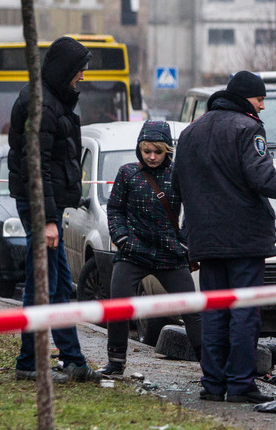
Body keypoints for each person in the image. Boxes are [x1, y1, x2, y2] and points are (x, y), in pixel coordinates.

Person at [173, 71, 276, 403]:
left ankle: (213, 383)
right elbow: (261, 177)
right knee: (244, 313)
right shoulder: (247, 128)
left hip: (207, 244)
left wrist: (188, 238)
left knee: (214, 312)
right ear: (245, 100)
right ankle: (240, 384)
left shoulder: (189, 133)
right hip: (243, 241)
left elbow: (177, 188)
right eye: (260, 99)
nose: (263, 106)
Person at [8, 36, 101, 383]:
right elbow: (37, 167)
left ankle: (71, 360)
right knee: (43, 284)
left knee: (58, 283)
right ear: (66, 70)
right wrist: (47, 220)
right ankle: (30, 364)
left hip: (47, 208)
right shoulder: (43, 105)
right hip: (39, 209)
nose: (83, 77)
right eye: (80, 71)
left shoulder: (52, 101)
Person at [97, 120, 203, 377]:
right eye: (147, 151)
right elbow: (114, 210)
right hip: (131, 253)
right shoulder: (127, 173)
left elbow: (194, 208)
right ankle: (115, 362)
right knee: (118, 306)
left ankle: (210, 367)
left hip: (170, 253)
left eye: (158, 151)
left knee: (193, 312)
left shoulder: (179, 174)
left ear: (168, 150)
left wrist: (184, 241)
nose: (152, 157)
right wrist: (122, 238)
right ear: (139, 150)